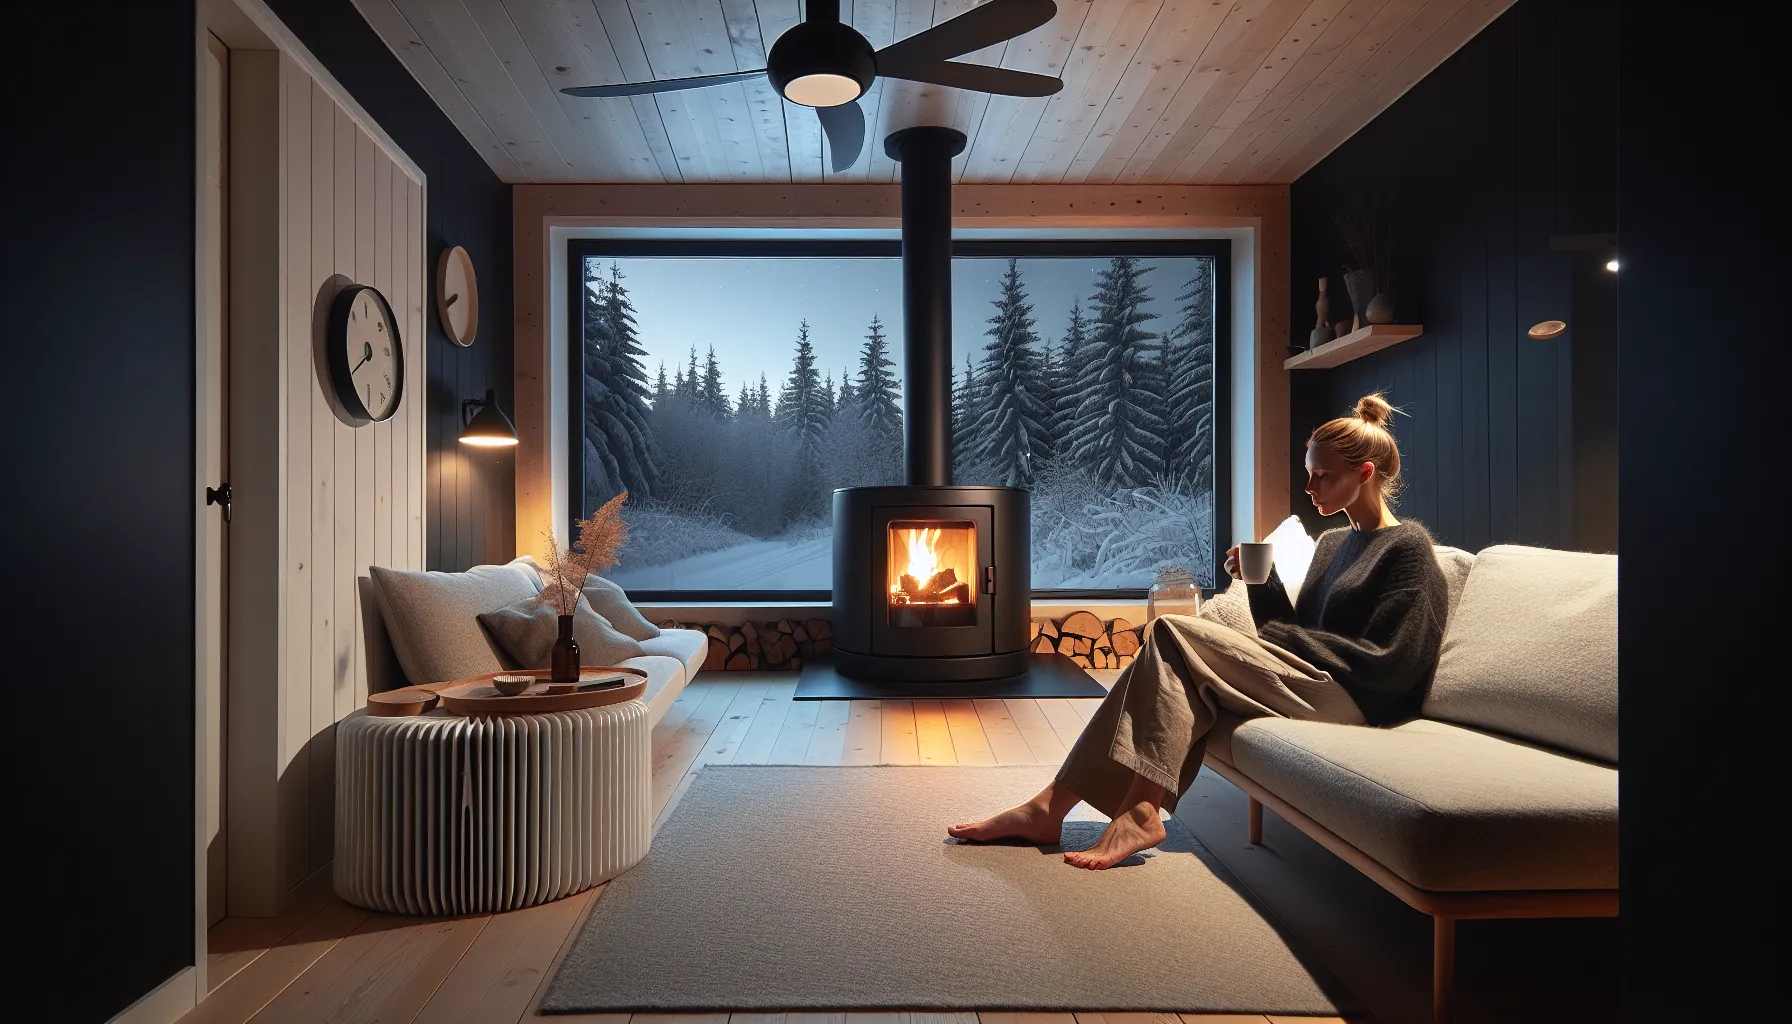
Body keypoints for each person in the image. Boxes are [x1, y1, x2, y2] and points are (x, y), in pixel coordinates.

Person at [947, 393, 1451, 869]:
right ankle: (1055, 808)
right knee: (1173, 658)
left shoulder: (1407, 548)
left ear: (1365, 473)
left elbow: (1394, 663)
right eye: (1309, 474)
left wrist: (1290, 644)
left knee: (1172, 631)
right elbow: (1288, 633)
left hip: (1354, 696)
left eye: (1324, 476)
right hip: (1309, 679)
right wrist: (1262, 583)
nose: (1310, 488)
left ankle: (1128, 811)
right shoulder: (1334, 544)